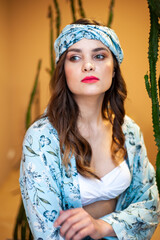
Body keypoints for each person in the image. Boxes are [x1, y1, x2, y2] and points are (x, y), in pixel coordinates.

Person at [19, 18, 159, 240]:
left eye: (99, 56)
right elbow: (47, 231)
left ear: (114, 70)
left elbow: (149, 205)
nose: (88, 65)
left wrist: (102, 226)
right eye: (75, 57)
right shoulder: (41, 138)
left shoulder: (129, 130)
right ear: (63, 71)